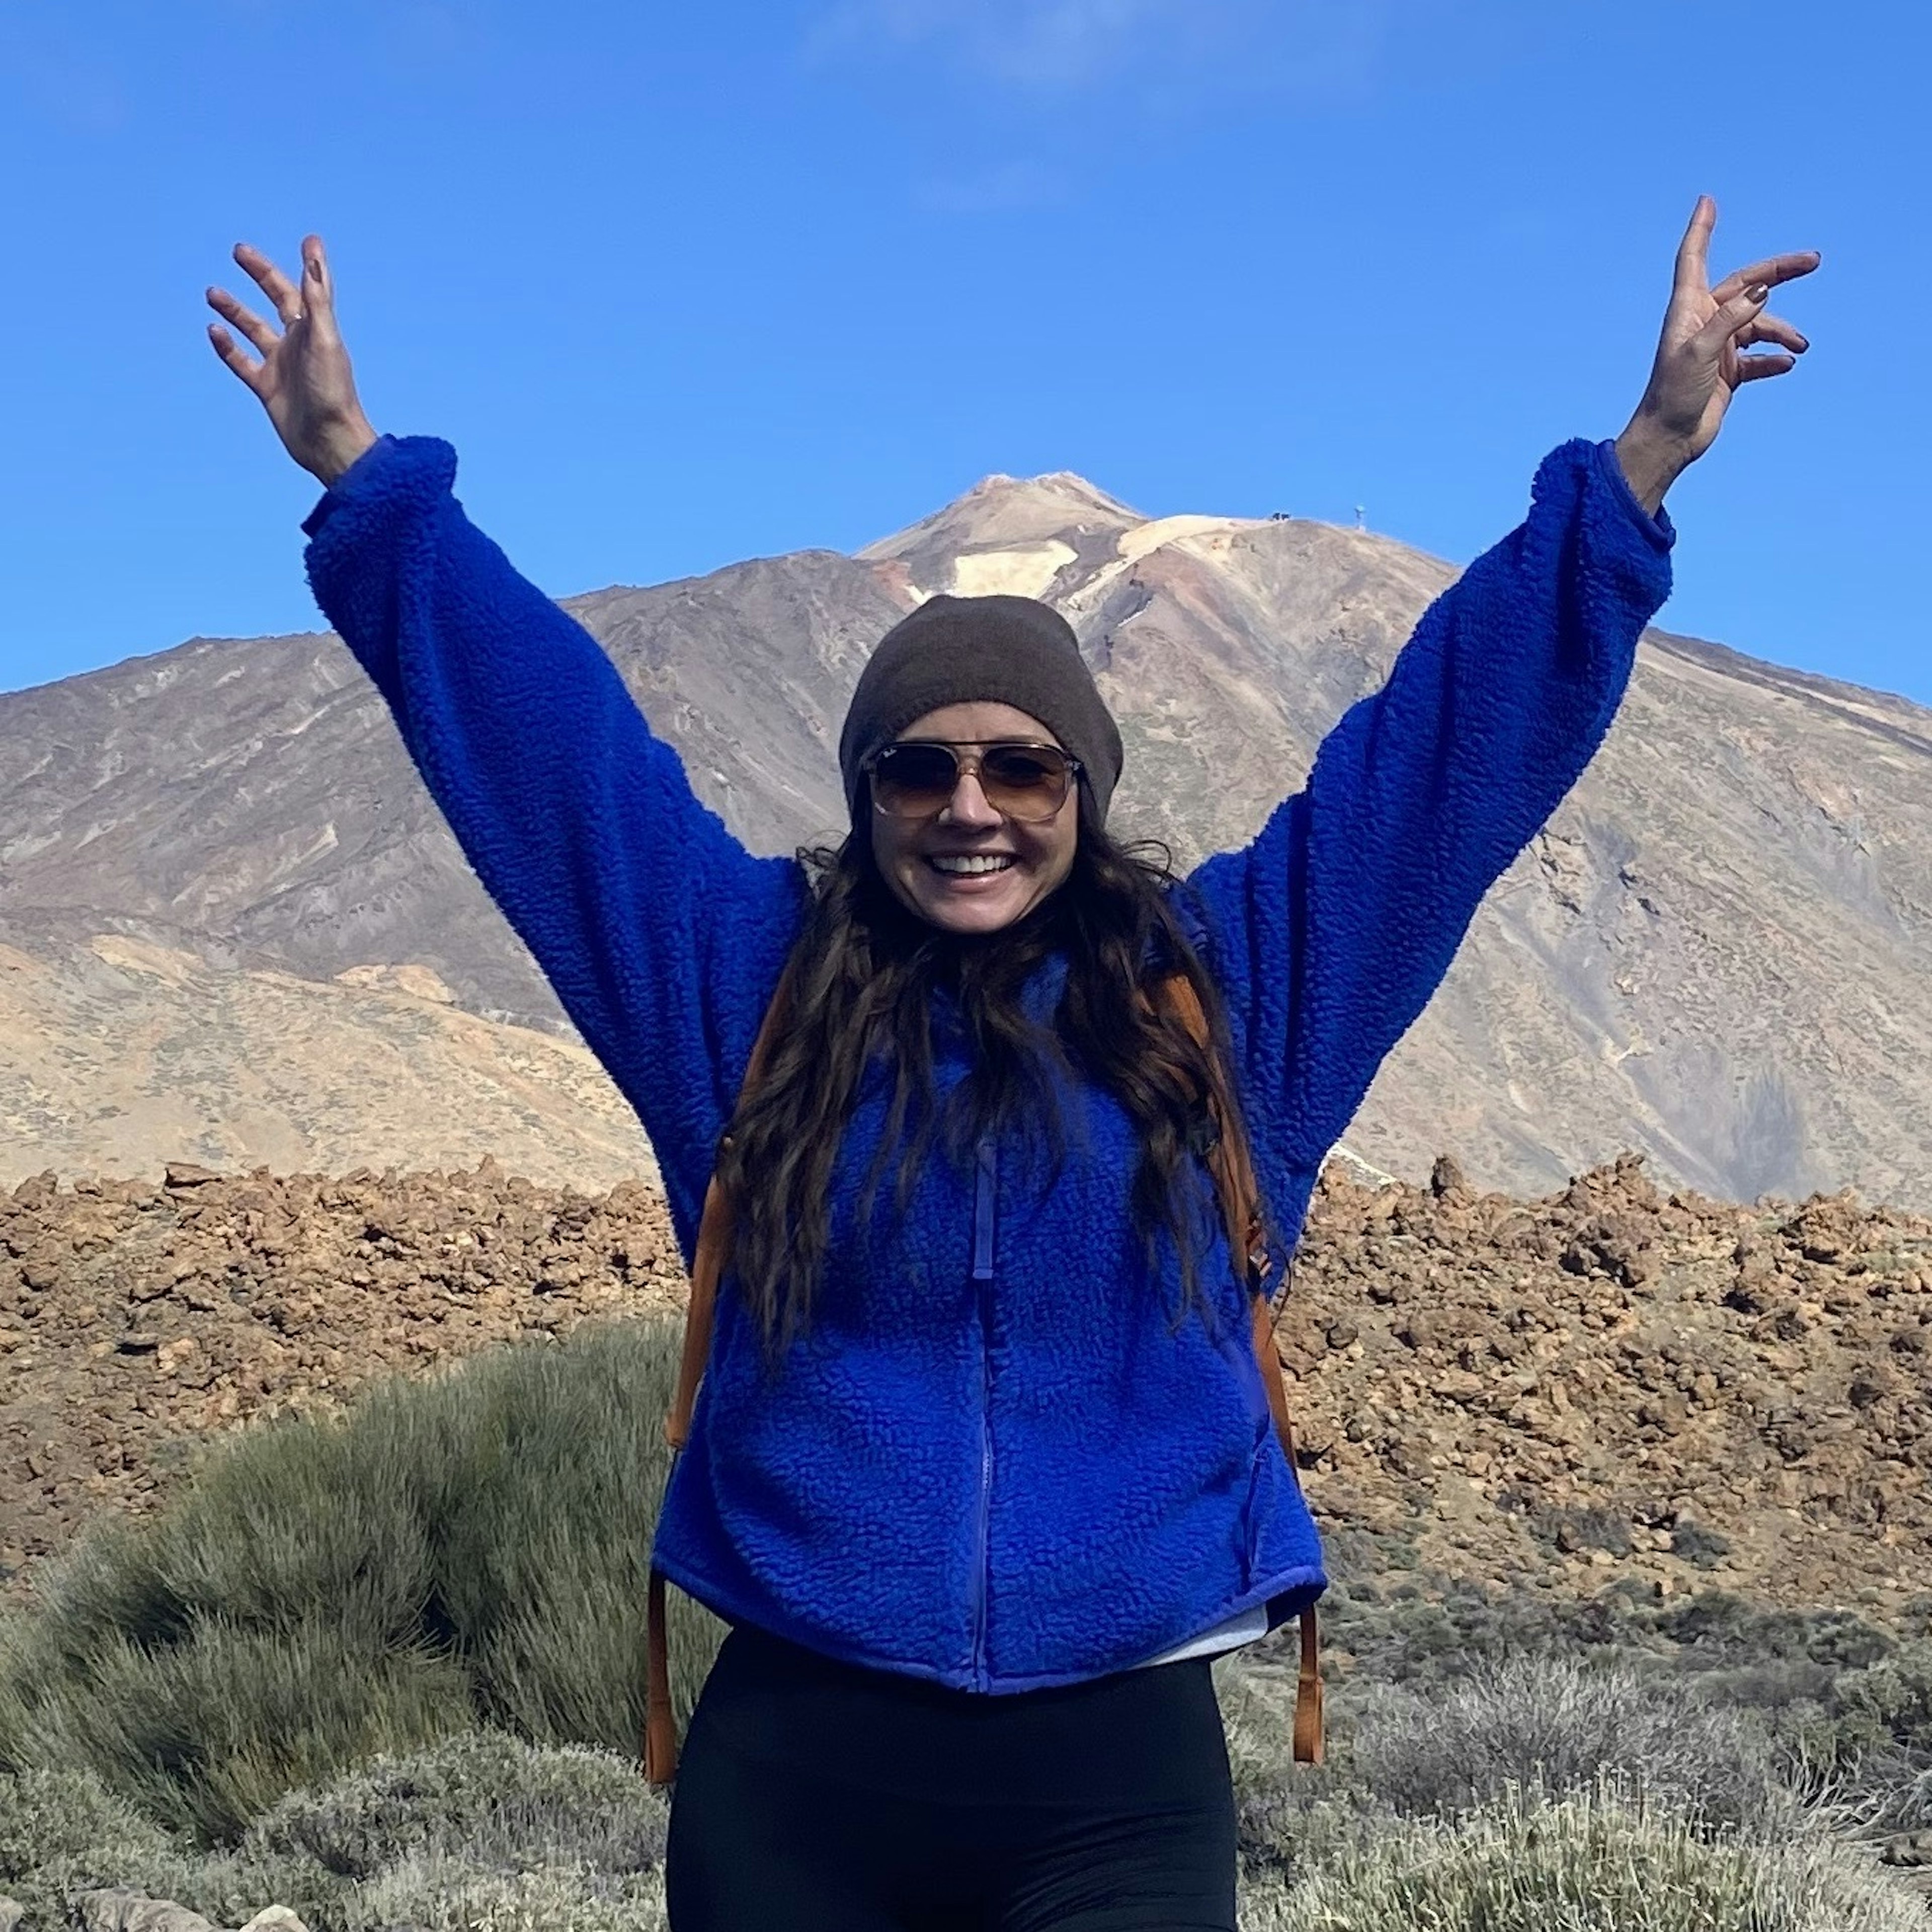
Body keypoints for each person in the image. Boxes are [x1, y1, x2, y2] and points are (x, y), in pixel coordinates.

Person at [208, 198, 1816, 1930]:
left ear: (1086, 792)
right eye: (918, 770)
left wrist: (1641, 461)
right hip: (798, 1772)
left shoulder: (1226, 998)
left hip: (1110, 1791)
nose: (970, 808)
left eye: (1024, 770)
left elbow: (1438, 766)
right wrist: (359, 479)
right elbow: (555, 762)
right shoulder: (743, 990)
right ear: (867, 791)